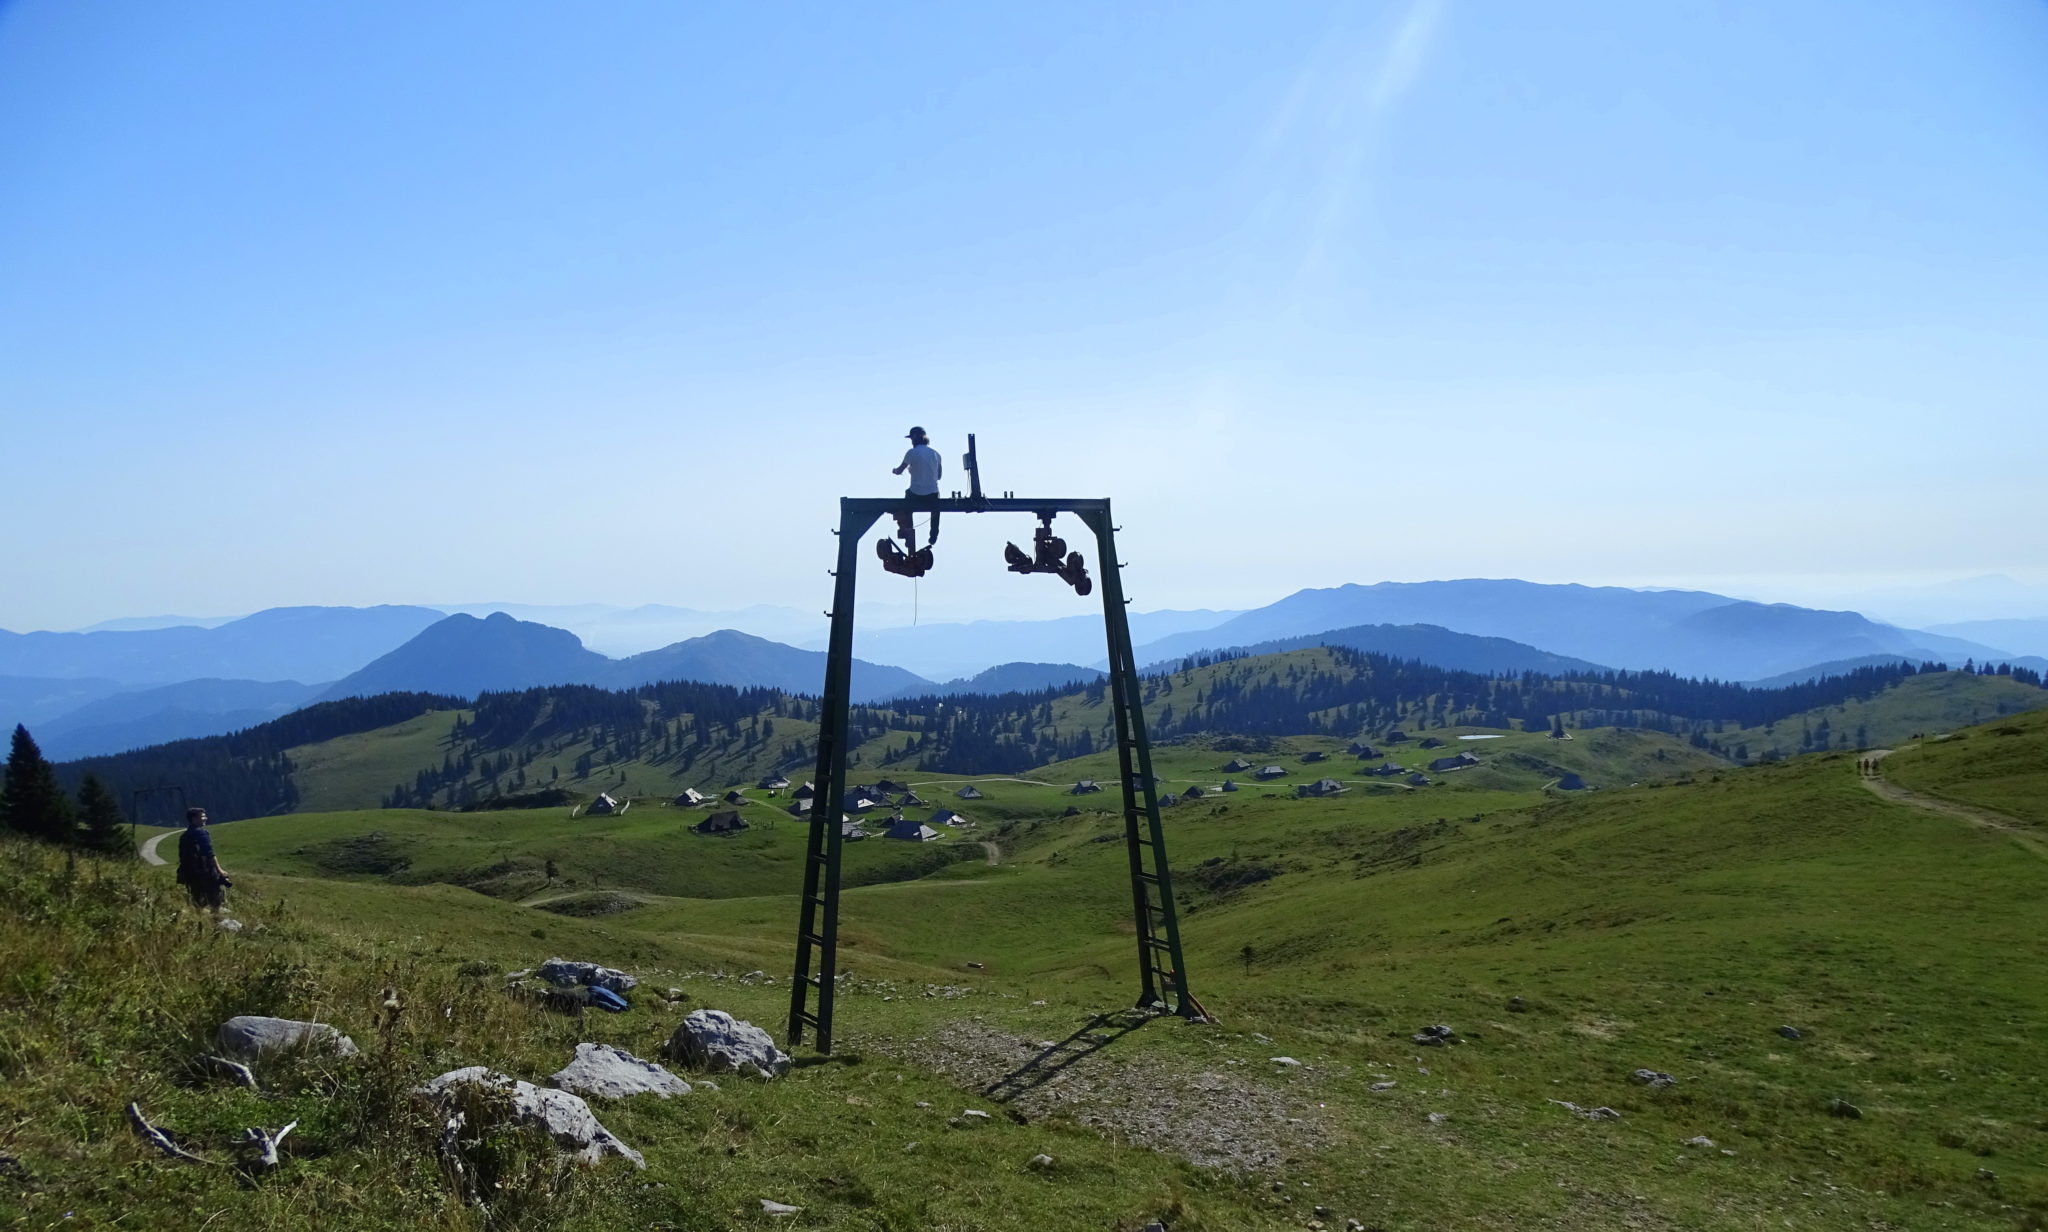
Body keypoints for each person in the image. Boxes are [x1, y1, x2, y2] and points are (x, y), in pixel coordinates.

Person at [891, 426, 943, 550]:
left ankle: (909, 534)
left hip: (915, 493)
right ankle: (933, 534)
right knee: (936, 508)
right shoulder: (936, 454)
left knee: (907, 507)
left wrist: (894, 471)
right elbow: (939, 476)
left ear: (914, 438)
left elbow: (899, 470)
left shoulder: (911, 453)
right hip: (932, 493)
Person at [175, 806, 231, 915]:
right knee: (215, 899)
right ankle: (216, 920)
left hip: (190, 873)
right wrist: (220, 870)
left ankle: (199, 921)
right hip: (206, 871)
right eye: (202, 816)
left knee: (197, 899)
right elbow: (209, 853)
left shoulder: (184, 836)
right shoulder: (202, 833)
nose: (205, 818)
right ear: (194, 819)